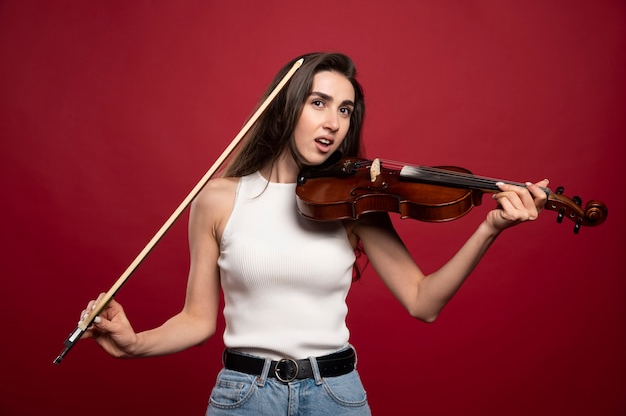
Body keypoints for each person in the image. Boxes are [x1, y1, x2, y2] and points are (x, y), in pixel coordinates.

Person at [79, 52, 548, 415]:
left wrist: (491, 226)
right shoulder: (217, 200)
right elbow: (199, 320)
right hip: (244, 396)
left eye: (344, 110)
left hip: (335, 395)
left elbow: (423, 302)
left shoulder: (354, 202)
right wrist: (134, 343)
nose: (333, 122)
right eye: (318, 102)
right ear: (286, 105)